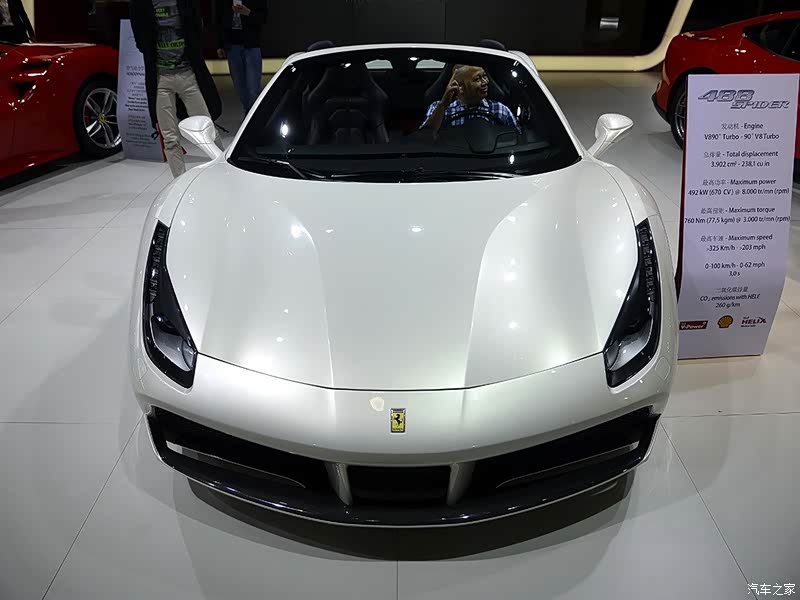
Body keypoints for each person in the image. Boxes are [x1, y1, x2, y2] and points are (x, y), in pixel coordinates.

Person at [130, 0, 222, 177]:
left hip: (188, 75)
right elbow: (141, 42)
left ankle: (223, 172)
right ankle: (178, 181)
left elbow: (196, 29)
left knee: (208, 129)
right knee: (170, 139)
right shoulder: (140, 4)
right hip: (161, 79)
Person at [422, 65, 519, 134]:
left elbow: (517, 139)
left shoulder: (500, 109)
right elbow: (425, 139)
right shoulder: (438, 108)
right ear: (460, 87)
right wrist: (443, 105)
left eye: (484, 76)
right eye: (477, 79)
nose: (485, 82)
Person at [216, 0, 267, 114]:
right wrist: (220, 44)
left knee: (253, 89)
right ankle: (249, 114)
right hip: (232, 45)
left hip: (251, 44)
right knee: (240, 88)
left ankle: (253, 117)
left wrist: (248, 13)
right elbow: (219, 19)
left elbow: (263, 18)